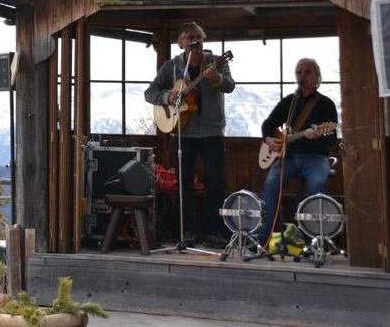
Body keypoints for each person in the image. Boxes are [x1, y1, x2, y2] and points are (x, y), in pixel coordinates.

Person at [145, 22, 235, 249]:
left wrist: (216, 79)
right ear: (181, 43)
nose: (195, 40)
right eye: (190, 37)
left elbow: (230, 86)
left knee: (215, 182)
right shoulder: (173, 66)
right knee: (184, 183)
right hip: (181, 132)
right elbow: (150, 93)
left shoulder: (215, 61)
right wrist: (169, 97)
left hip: (212, 131)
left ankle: (213, 231)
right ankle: (188, 231)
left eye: (198, 36)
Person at [257, 58, 339, 246]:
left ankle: (318, 240)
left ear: (317, 76)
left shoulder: (326, 104)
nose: (302, 75)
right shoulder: (289, 102)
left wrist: (318, 136)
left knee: (316, 187)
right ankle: (263, 238)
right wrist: (268, 139)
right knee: (270, 185)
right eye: (299, 72)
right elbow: (268, 124)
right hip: (289, 157)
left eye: (307, 72)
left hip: (315, 158)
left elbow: (332, 137)